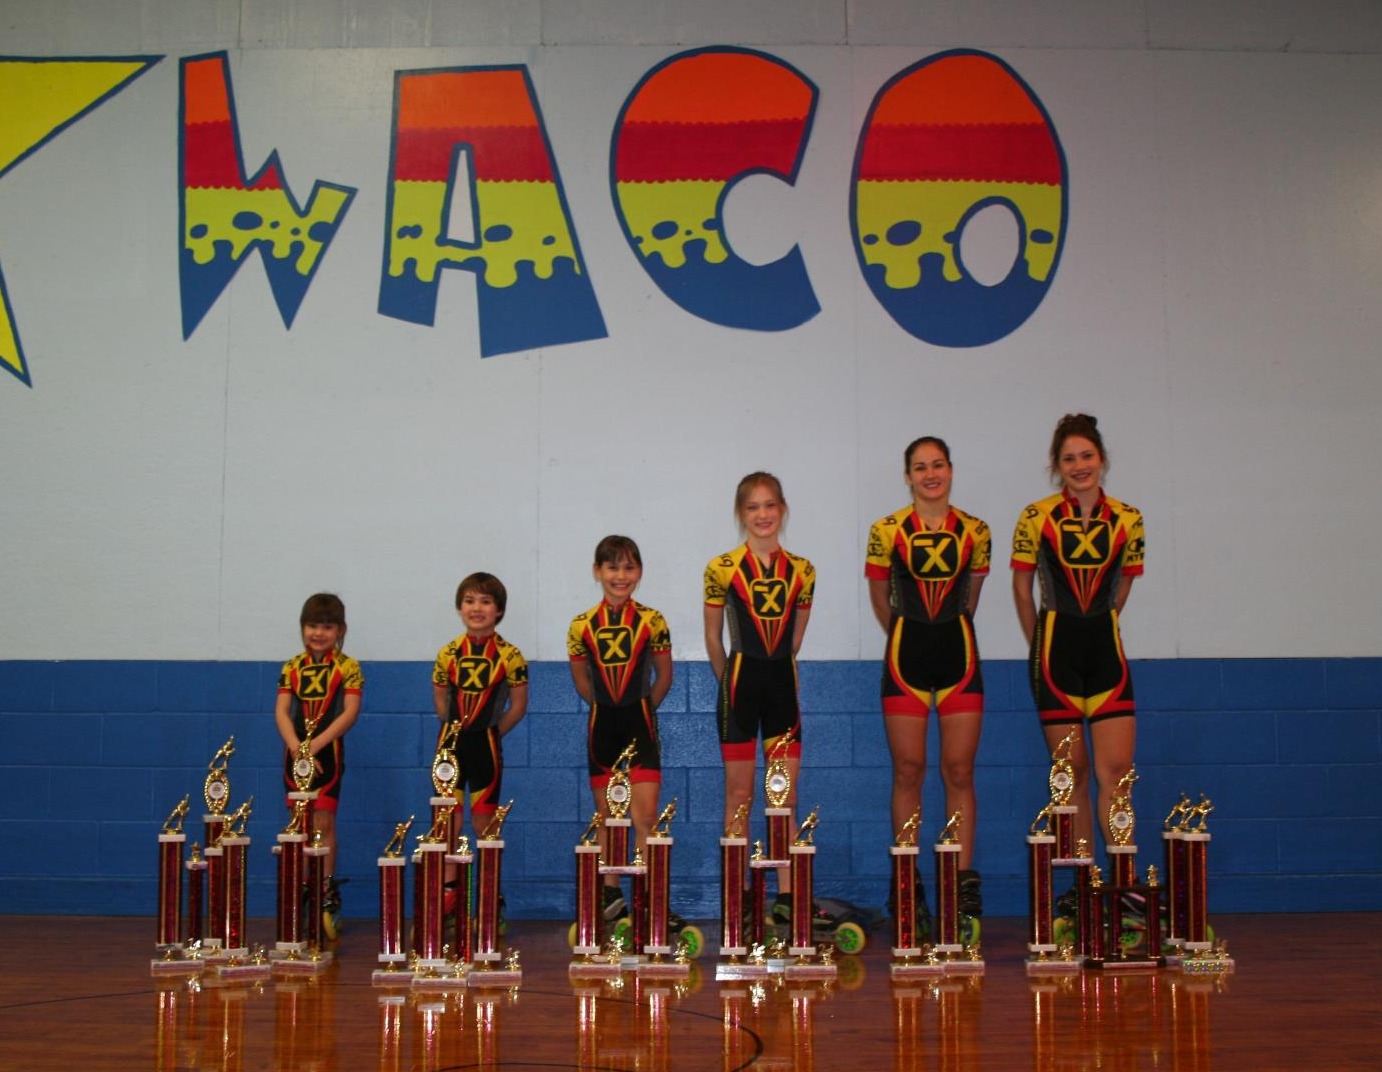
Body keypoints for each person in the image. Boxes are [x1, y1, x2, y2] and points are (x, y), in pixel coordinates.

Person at [1011, 413, 1144, 915]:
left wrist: (1101, 622)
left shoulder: (1129, 519)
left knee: (1118, 774)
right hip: (1055, 656)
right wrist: (1038, 641)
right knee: (1074, 774)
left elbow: (1125, 583)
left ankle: (1125, 884)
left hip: (1106, 655)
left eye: (1087, 456)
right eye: (1069, 458)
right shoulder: (1035, 516)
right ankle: (1084, 885)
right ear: (1056, 466)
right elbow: (1022, 588)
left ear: (1102, 459)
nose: (1079, 465)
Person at [866, 437, 990, 932]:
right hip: (905, 658)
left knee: (959, 771)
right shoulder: (885, 530)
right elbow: (880, 596)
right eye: (920, 467)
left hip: (959, 656)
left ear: (951, 470)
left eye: (937, 465)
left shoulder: (976, 530)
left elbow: (972, 595)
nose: (930, 474)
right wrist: (903, 633)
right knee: (908, 771)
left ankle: (958, 894)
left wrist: (942, 629)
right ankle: (908, 888)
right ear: (907, 476)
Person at [704, 472, 815, 927]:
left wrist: (773, 673)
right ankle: (740, 896)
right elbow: (713, 638)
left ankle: (788, 899)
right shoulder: (721, 568)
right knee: (739, 794)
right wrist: (730, 680)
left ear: (783, 509)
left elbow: (795, 638)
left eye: (770, 505)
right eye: (753, 507)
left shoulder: (803, 570)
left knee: (783, 798)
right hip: (738, 690)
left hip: (782, 691)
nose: (763, 515)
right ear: (741, 513)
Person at [568, 535, 674, 925]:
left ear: (639, 573)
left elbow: (664, 675)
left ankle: (651, 900)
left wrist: (641, 707)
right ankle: (610, 900)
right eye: (612, 567)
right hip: (602, 728)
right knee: (608, 819)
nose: (620, 575)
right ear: (598, 572)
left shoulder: (653, 620)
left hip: (641, 727)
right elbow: (582, 681)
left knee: (645, 818)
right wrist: (607, 707)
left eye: (629, 567)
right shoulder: (580, 626)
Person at [432, 572, 528, 922]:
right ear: (460, 608)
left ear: (498, 610)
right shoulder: (448, 653)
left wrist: (491, 732)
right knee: (447, 823)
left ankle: (489, 897)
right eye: (470, 601)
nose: (477, 608)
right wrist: (456, 729)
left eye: (485, 602)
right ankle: (448, 898)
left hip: (486, 746)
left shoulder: (510, 655)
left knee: (485, 824)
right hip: (450, 748)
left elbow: (517, 706)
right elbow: (441, 701)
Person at [275, 592, 363, 938]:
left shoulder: (348, 667)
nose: (318, 633)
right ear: (302, 628)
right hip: (294, 756)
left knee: (324, 821)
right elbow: (282, 712)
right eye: (312, 626)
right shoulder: (291, 667)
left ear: (340, 630)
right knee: (298, 823)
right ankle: (300, 888)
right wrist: (297, 747)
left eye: (327, 627)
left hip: (328, 754)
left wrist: (315, 746)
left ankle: (326, 890)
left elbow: (350, 712)